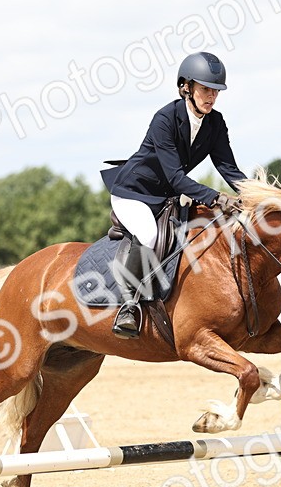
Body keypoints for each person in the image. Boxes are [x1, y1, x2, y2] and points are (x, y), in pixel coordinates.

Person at [100, 51, 245, 337]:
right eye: (205, 89)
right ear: (186, 87)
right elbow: (175, 176)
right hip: (134, 193)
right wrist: (216, 198)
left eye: (216, 91)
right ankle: (128, 306)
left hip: (166, 197)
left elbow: (228, 168)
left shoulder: (215, 123)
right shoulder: (165, 119)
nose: (211, 97)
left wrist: (258, 195)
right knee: (149, 234)